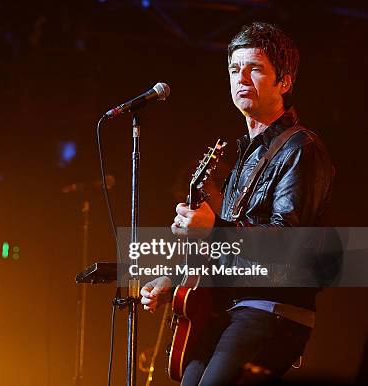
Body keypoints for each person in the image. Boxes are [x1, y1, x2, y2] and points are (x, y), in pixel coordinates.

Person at [140, 22, 334, 385]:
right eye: (234, 69)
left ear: (285, 82)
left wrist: (213, 227)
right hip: (229, 308)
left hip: (271, 310)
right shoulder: (242, 157)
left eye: (255, 68)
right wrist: (177, 280)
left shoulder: (302, 148)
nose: (241, 77)